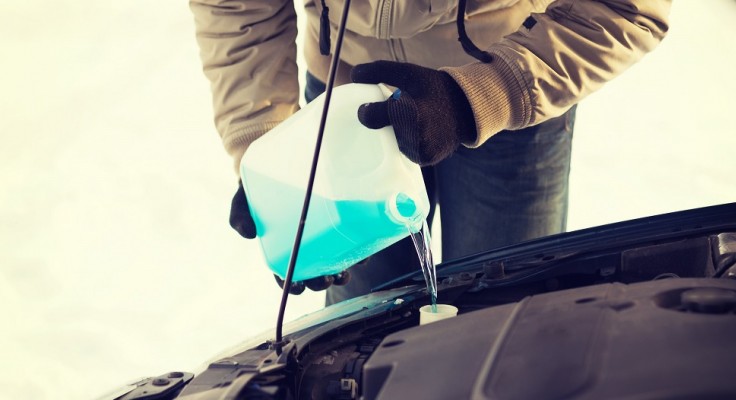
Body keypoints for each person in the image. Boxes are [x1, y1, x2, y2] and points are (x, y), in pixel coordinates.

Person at [190, 0, 671, 305]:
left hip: (512, 93)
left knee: (503, 319)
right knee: (365, 324)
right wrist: (269, 153)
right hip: (348, 102)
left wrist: (481, 95)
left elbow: (626, 8)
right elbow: (235, 9)